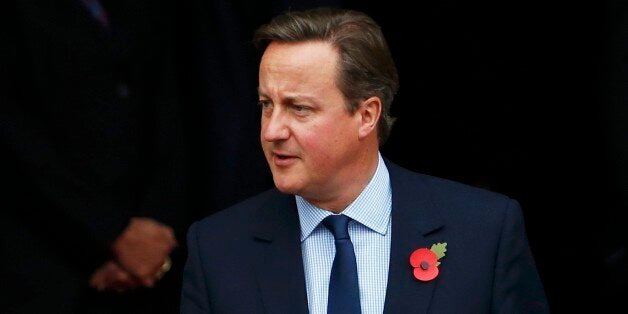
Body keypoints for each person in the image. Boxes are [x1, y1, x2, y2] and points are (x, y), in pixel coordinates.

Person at [181, 7, 549, 314]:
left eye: (300, 108)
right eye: (266, 105)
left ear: (366, 115)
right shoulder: (217, 249)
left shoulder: (484, 232)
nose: (272, 130)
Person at [1, 0, 185, 312]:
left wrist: (155, 234)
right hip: (41, 264)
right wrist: (110, 234)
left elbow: (175, 113)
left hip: (156, 261)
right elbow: (14, 140)